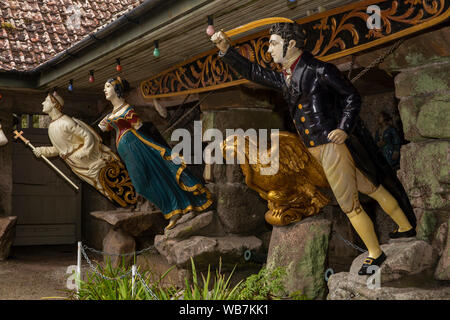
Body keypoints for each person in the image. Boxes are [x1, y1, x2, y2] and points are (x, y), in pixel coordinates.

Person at [211, 22, 416, 275]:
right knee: (372, 188)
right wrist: (226, 50)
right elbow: (255, 72)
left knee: (349, 205)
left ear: (292, 45)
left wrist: (343, 127)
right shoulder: (286, 75)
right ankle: (406, 227)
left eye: (273, 43)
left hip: (329, 146)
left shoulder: (319, 69)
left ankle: (375, 254)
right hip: (313, 149)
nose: (269, 50)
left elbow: (352, 96)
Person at [99, 77, 213, 230]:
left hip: (138, 149)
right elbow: (105, 127)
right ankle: (173, 209)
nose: (104, 90)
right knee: (141, 186)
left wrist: (158, 148)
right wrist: (107, 122)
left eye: (107, 86)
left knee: (152, 179)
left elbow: (140, 128)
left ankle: (175, 209)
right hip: (127, 152)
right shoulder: (114, 112)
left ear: (117, 89)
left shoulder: (127, 110)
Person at [33, 91, 124, 203]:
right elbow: (59, 149)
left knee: (105, 177)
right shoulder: (52, 126)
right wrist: (43, 150)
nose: (42, 103)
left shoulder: (66, 122)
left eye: (45, 101)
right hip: (74, 163)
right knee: (98, 184)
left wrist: (84, 152)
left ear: (54, 104)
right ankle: (119, 200)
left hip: (86, 158)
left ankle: (127, 197)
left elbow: (87, 136)